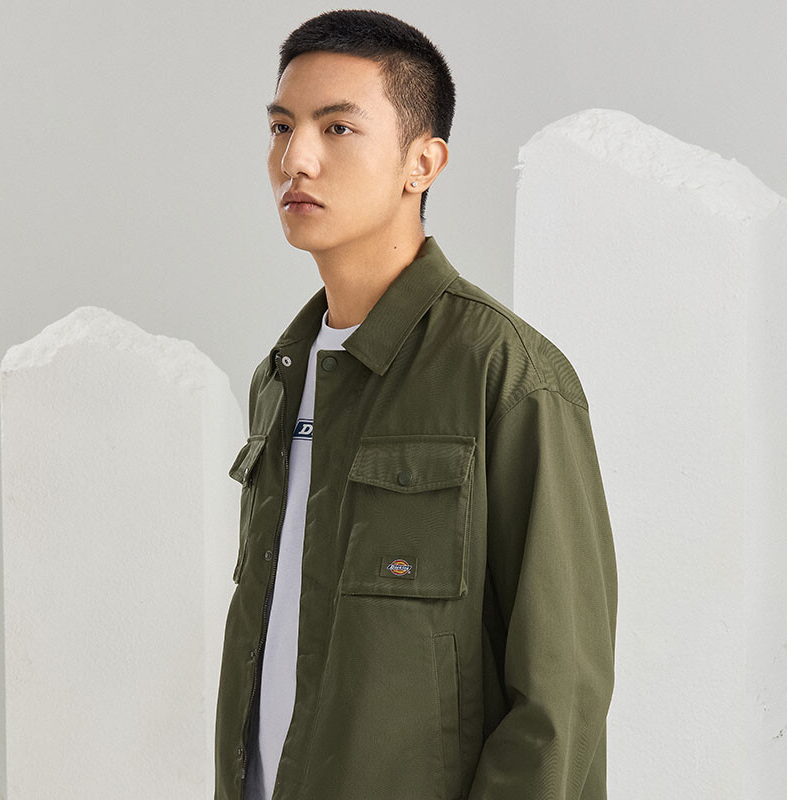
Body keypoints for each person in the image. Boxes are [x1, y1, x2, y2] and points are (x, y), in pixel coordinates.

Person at [215, 9, 618, 800]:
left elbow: (560, 695)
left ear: (422, 162)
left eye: (337, 128)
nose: (296, 159)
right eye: (281, 127)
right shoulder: (280, 378)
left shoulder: (505, 373)